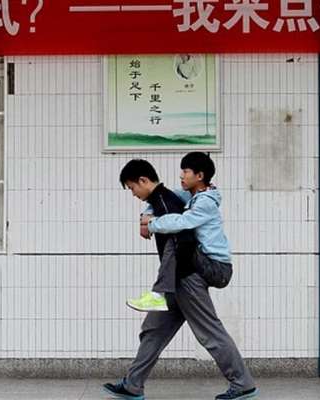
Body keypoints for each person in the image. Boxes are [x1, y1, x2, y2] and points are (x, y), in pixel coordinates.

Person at [103, 152, 258, 400]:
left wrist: (151, 224)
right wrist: (146, 215)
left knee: (210, 333)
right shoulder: (182, 196)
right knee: (153, 330)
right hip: (181, 278)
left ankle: (243, 384)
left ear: (200, 175)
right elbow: (164, 196)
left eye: (132, 187)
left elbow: (183, 228)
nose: (181, 175)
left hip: (196, 273)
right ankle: (133, 385)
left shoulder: (199, 202)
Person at [119, 159, 196, 312]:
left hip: (186, 279)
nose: (133, 194)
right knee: (152, 332)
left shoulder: (164, 201)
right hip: (175, 281)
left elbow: (179, 241)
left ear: (143, 180)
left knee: (209, 330)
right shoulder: (159, 201)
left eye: (132, 188)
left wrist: (162, 287)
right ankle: (157, 296)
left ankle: (157, 295)